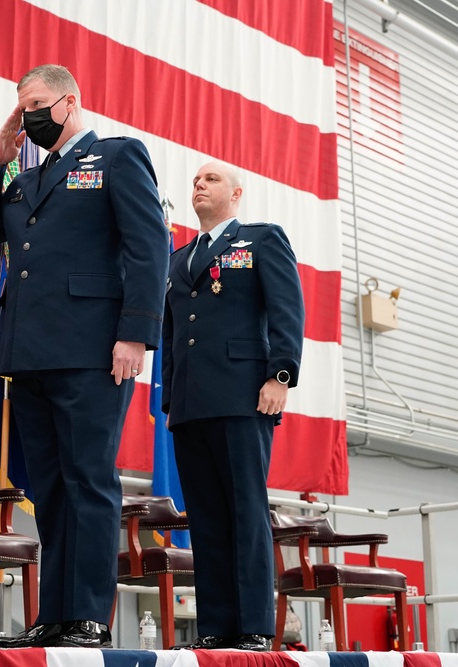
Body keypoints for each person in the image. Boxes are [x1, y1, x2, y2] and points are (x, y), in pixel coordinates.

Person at [0, 64, 169, 648]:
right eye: (19, 108)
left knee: (87, 481)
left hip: (92, 350)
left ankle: (87, 617)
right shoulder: (25, 178)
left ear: (69, 103)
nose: (26, 117)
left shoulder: (117, 155)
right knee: (49, 489)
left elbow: (149, 245)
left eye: (34, 104)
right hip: (28, 352)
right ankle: (54, 616)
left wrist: (135, 333)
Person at [161, 161, 305, 651]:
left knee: (245, 511)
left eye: (212, 179)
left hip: (245, 395)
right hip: (191, 404)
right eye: (196, 179)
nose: (199, 184)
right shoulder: (179, 258)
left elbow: (287, 308)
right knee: (206, 517)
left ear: (236, 193)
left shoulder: (260, 239)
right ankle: (217, 627)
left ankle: (255, 628)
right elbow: (173, 330)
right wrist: (169, 397)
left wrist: (280, 375)